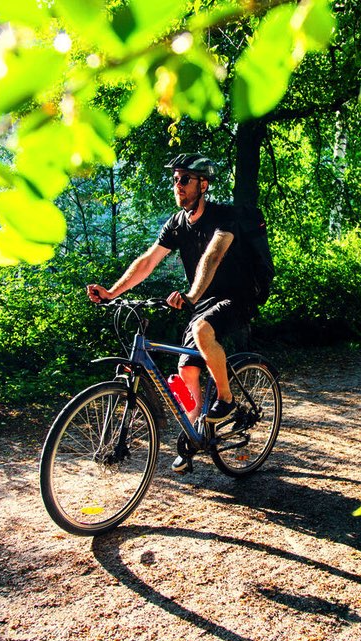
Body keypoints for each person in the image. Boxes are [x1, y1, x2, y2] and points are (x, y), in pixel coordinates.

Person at [86, 153, 259, 472]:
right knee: (186, 371)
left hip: (238, 294)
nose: (177, 185)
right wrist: (112, 292)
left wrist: (191, 294)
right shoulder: (177, 224)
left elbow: (213, 256)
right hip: (203, 300)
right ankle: (194, 436)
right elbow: (148, 261)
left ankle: (227, 398)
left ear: (203, 184)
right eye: (174, 180)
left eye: (184, 180)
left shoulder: (224, 216)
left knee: (202, 330)